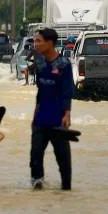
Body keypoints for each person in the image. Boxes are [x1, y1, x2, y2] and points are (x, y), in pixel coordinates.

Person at [29, 27, 74, 190]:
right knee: (35, 156)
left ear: (50, 43)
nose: (36, 44)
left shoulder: (63, 64)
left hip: (58, 119)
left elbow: (67, 91)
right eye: (35, 40)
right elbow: (40, 91)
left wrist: (67, 114)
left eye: (39, 41)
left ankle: (66, 190)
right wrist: (34, 116)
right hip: (41, 119)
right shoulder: (39, 62)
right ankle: (37, 188)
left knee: (63, 159)